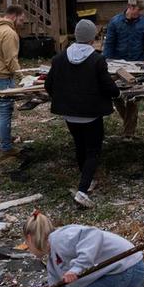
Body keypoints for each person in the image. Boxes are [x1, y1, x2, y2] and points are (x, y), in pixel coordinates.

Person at [45, 20, 118, 208]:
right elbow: (107, 85)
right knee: (93, 150)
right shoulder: (97, 60)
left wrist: (63, 99)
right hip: (91, 114)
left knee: (80, 145)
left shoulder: (59, 58)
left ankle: (87, 178)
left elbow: (48, 85)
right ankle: (83, 190)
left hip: (69, 113)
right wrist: (117, 93)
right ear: (92, 38)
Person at [103, 0, 144, 139]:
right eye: (138, 9)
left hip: (136, 65)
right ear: (130, 7)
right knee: (116, 95)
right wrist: (105, 61)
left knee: (133, 96)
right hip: (116, 65)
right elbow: (109, 44)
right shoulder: (115, 22)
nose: (140, 12)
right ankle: (128, 125)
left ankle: (128, 133)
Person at [0, 4, 27, 157]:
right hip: (0, 76)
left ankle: (0, 135)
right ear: (13, 17)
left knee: (3, 108)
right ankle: (6, 148)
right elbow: (11, 60)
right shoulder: (9, 33)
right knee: (5, 110)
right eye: (21, 20)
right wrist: (23, 78)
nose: (22, 24)